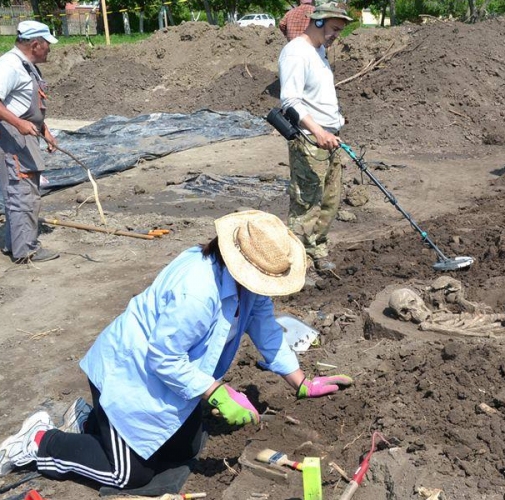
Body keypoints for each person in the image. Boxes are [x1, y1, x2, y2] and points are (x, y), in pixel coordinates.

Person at [0, 210, 353, 488]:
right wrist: (215, 391)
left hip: (169, 373)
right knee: (128, 475)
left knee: (186, 448)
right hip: (133, 375)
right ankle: (41, 442)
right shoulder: (198, 291)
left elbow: (265, 328)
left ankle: (89, 420)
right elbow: (163, 358)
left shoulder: (249, 288)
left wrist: (300, 381)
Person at [278, 2, 353, 273]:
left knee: (330, 200)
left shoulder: (319, 50)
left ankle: (317, 249)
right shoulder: (296, 53)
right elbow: (289, 100)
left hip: (330, 138)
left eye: (340, 31)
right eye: (334, 29)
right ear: (318, 22)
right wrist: (319, 131)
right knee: (306, 204)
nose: (337, 35)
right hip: (311, 140)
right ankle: (298, 264)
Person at [0, 21, 59, 263]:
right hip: (13, 139)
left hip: (25, 135)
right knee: (22, 192)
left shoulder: (27, 66)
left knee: (24, 190)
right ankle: (26, 250)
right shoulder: (9, 66)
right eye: (47, 45)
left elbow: (24, 105)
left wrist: (44, 129)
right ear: (35, 44)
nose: (49, 50)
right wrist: (18, 124)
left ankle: (13, 244)